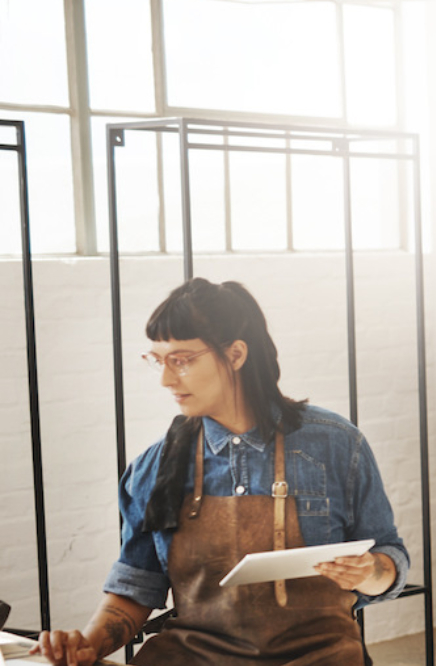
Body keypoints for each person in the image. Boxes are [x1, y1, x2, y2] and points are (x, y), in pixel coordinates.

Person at [33, 278, 408, 666]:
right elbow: (136, 587)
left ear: (236, 354)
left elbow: (389, 556)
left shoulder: (336, 444)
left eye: (181, 360)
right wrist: (87, 644)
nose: (165, 379)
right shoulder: (154, 467)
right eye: (158, 360)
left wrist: (369, 572)